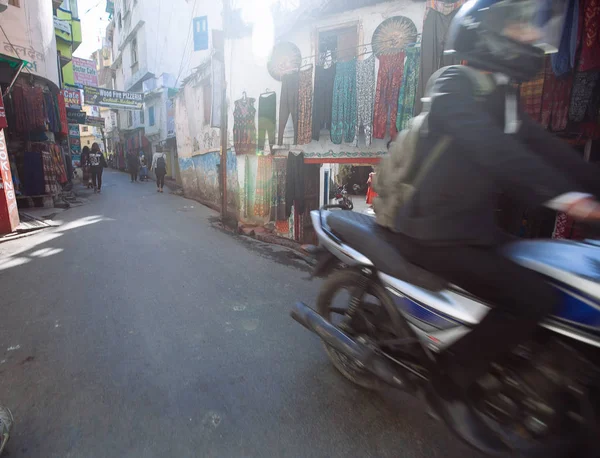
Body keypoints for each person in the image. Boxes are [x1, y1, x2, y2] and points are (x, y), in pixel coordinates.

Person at [380, 0, 600, 418]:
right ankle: (446, 382)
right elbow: (494, 151)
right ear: (486, 33)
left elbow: (552, 152)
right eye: (519, 28)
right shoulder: (450, 85)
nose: (531, 36)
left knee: (550, 269)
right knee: (534, 296)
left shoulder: (503, 98)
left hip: (473, 229)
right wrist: (571, 200)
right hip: (431, 233)